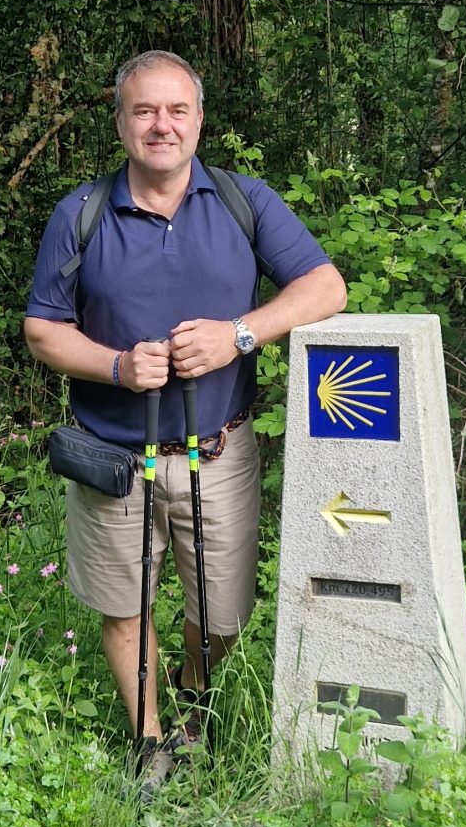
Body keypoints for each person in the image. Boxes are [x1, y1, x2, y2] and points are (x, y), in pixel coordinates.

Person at [24, 50, 346, 787]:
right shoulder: (82, 214)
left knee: (222, 611)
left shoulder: (243, 201)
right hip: (114, 453)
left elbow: (326, 287)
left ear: (199, 119)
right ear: (120, 123)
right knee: (124, 603)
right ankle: (150, 740)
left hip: (220, 448)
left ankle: (193, 701)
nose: (160, 125)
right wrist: (114, 365)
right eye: (143, 111)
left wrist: (239, 333)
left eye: (175, 110)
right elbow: (43, 329)